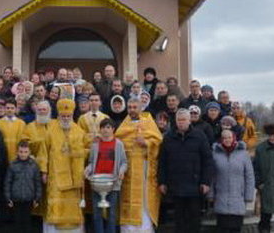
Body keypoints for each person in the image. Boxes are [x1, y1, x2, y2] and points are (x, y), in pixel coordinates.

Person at [158, 109, 214, 233]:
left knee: (194, 220)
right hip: (176, 186)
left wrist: (205, 181)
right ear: (175, 121)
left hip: (195, 187)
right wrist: (162, 182)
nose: (181, 122)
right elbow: (162, 162)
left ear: (189, 121)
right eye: (179, 120)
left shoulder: (200, 136)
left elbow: (208, 161)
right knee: (179, 220)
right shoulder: (168, 138)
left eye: (184, 120)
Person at [37, 99, 87, 232]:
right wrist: (44, 172)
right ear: (58, 116)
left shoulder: (79, 131)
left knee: (72, 205)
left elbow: (87, 151)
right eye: (63, 116)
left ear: (72, 116)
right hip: (55, 175)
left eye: (68, 116)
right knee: (56, 204)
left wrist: (77, 152)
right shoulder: (51, 131)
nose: (65, 118)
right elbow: (43, 152)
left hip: (74, 176)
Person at [115, 97, 163, 231]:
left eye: (134, 107)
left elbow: (158, 141)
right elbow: (117, 141)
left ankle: (144, 229)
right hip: (127, 170)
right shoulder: (124, 125)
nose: (132, 110)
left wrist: (146, 143)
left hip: (143, 170)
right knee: (127, 199)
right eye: (129, 107)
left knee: (143, 201)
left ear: (141, 107)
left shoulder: (148, 122)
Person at [84, 118, 128, 233]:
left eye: (108, 127)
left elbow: (124, 162)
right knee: (96, 213)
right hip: (97, 183)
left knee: (112, 214)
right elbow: (91, 162)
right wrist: (87, 170)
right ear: (100, 129)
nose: (105, 130)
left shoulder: (118, 144)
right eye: (103, 128)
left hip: (113, 183)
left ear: (113, 129)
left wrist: (122, 171)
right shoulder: (95, 145)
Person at [209, 129, 255, 233]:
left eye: (229, 137)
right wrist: (211, 194)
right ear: (221, 139)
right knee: (222, 228)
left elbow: (249, 176)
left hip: (238, 198)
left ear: (233, 138)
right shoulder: (215, 154)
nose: (227, 140)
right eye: (224, 138)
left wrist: (249, 195)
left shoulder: (243, 154)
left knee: (235, 228)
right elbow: (211, 176)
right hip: (221, 198)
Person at [4, 140, 42, 233]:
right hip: (16, 198)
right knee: (17, 222)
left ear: (29, 152)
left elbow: (37, 182)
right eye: (21, 152)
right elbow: (7, 182)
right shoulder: (12, 165)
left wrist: (37, 198)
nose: (23, 154)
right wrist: (8, 198)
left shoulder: (34, 165)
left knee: (27, 222)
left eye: (25, 152)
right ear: (17, 152)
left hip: (29, 198)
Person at [0, 98, 27, 162]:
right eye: (8, 108)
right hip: (1, 158)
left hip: (17, 158)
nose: (10, 110)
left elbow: (24, 141)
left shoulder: (22, 124)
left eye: (12, 108)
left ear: (16, 109)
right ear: (4, 109)